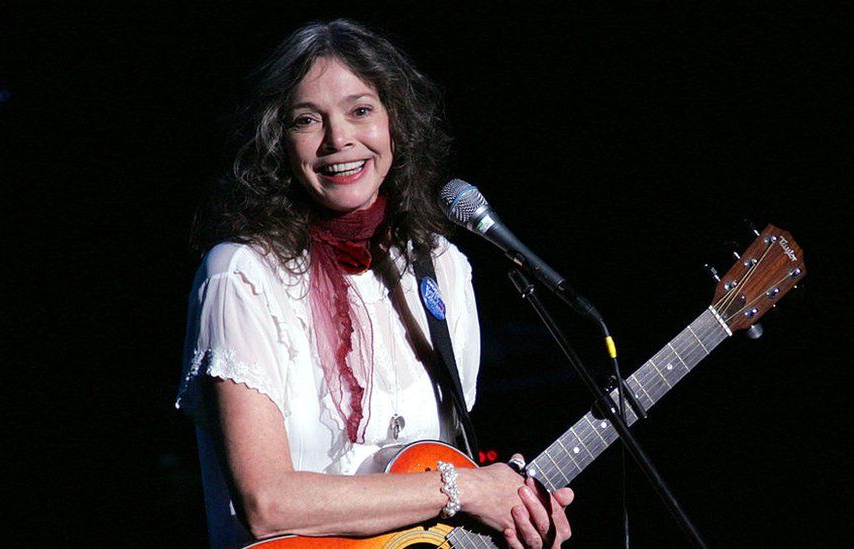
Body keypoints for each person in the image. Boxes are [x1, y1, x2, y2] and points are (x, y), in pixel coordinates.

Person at [176, 19, 574, 548]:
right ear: (278, 143)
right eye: (307, 120)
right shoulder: (241, 276)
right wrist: (466, 489)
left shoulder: (442, 268)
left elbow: (444, 479)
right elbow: (266, 504)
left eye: (361, 110)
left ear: (395, 125)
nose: (339, 138)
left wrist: (513, 508)